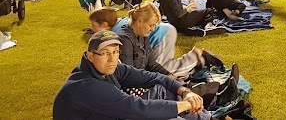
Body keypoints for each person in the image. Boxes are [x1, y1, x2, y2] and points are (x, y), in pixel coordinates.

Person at [53, 30, 205, 120]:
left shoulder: (108, 69)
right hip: (123, 111)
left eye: (115, 52)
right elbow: (140, 109)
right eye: (105, 53)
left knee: (162, 90)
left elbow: (152, 77)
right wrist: (187, 105)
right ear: (90, 56)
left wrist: (186, 92)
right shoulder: (87, 87)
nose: (112, 59)